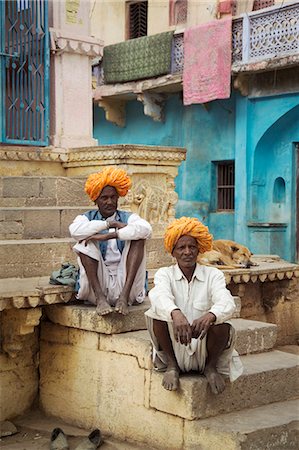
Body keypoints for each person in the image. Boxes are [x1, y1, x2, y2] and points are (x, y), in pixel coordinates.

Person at [145, 217, 243, 394]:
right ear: (173, 252)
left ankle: (210, 367)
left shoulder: (213, 275)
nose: (187, 252)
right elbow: (158, 296)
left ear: (199, 250)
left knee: (223, 326)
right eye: (181, 247)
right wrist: (175, 313)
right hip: (174, 346)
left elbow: (227, 302)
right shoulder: (164, 274)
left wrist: (211, 315)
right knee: (155, 315)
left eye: (192, 247)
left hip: (204, 347)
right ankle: (172, 366)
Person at [69, 167, 152, 316]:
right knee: (83, 242)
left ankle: (123, 298)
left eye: (113, 197)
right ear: (96, 200)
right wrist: (108, 225)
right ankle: (101, 299)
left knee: (139, 239)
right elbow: (75, 231)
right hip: (99, 283)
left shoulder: (127, 217)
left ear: (118, 198)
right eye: (104, 198)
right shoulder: (86, 217)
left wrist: (109, 236)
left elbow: (146, 229)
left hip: (127, 283)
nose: (110, 202)